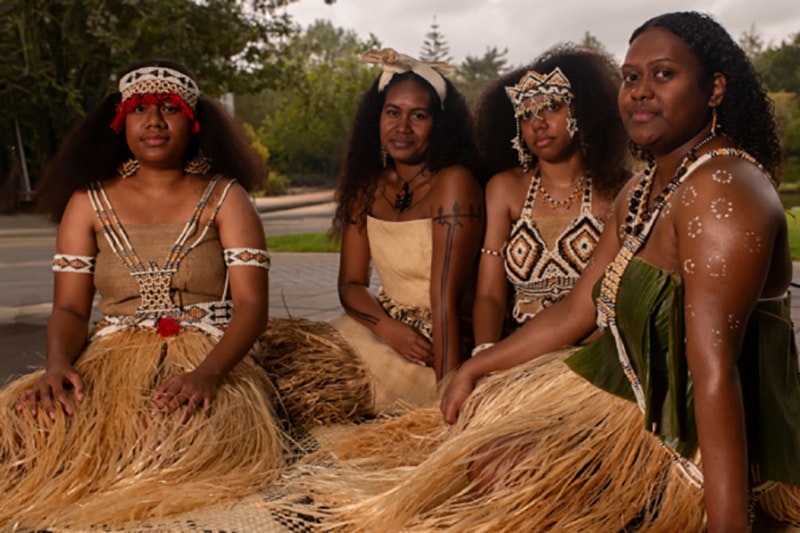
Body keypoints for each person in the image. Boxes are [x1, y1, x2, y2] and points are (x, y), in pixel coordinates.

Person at [267, 13, 800, 532]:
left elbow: (714, 372)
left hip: (688, 427)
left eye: (664, 74)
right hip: (630, 389)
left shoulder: (725, 191)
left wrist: (727, 522)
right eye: (631, 77)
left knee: (505, 473)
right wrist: (478, 368)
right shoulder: (643, 191)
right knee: (477, 449)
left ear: (714, 89)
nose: (639, 91)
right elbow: (576, 310)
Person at [1, 59, 286, 530]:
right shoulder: (87, 202)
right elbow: (70, 308)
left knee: (170, 436)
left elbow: (252, 307)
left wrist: (208, 376)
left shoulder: (225, 197)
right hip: (112, 355)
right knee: (30, 428)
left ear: (193, 122)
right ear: (120, 121)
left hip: (205, 355)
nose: (153, 121)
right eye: (139, 109)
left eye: (169, 109)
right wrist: (57, 366)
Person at [256, 48, 485, 427]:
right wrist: (388, 329)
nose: (402, 127)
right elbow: (350, 284)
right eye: (392, 112)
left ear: (439, 125)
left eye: (419, 116)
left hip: (438, 343)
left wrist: (446, 397)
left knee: (320, 398)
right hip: (385, 328)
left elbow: (444, 301)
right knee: (276, 371)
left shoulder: (453, 182)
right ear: (376, 118)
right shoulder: (366, 187)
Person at [471, 45, 629, 353]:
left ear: (583, 112)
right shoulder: (504, 189)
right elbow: (489, 294)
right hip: (518, 353)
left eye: (552, 107)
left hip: (593, 358)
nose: (538, 123)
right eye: (526, 114)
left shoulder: (619, 191)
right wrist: (484, 355)